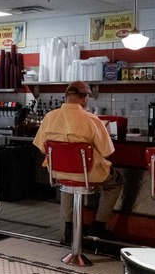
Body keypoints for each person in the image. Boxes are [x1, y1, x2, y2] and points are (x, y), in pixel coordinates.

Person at [33, 81, 123, 243]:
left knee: (68, 182)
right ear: (85, 99)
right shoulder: (92, 119)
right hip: (87, 175)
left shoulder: (49, 117)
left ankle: (69, 228)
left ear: (66, 97)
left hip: (58, 173)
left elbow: (41, 147)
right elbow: (107, 151)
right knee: (116, 181)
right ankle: (100, 225)